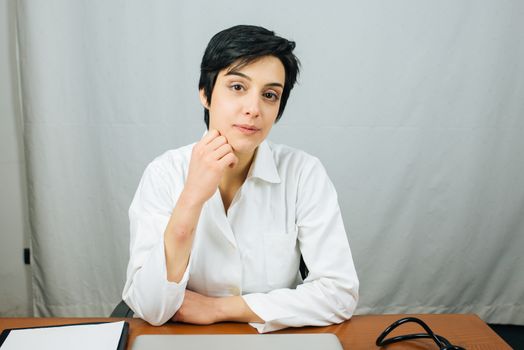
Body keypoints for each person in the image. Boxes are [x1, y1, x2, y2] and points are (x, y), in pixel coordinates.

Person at [122, 25, 359, 333]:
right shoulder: (164, 172)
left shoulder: (304, 173)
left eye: (270, 95)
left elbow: (340, 293)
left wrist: (218, 309)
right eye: (237, 87)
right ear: (206, 93)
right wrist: (192, 197)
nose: (253, 109)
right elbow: (151, 305)